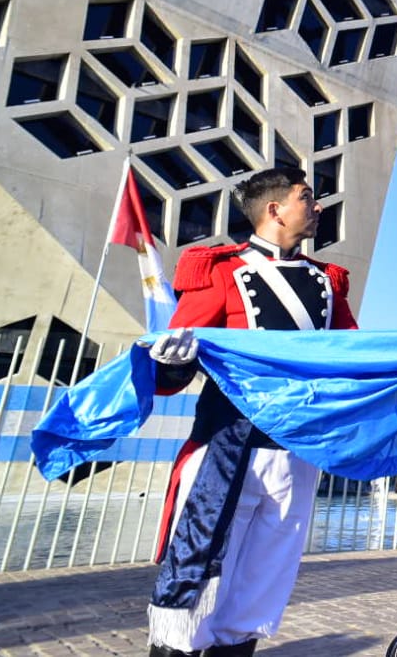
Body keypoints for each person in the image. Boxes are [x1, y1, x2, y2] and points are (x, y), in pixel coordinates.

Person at [144, 167, 356, 657]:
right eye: (308, 198)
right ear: (275, 209)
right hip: (228, 445)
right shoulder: (220, 270)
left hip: (297, 455)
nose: (317, 206)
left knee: (255, 596)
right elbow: (172, 368)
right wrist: (171, 362)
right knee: (194, 590)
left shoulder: (327, 283)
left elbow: (352, 357)